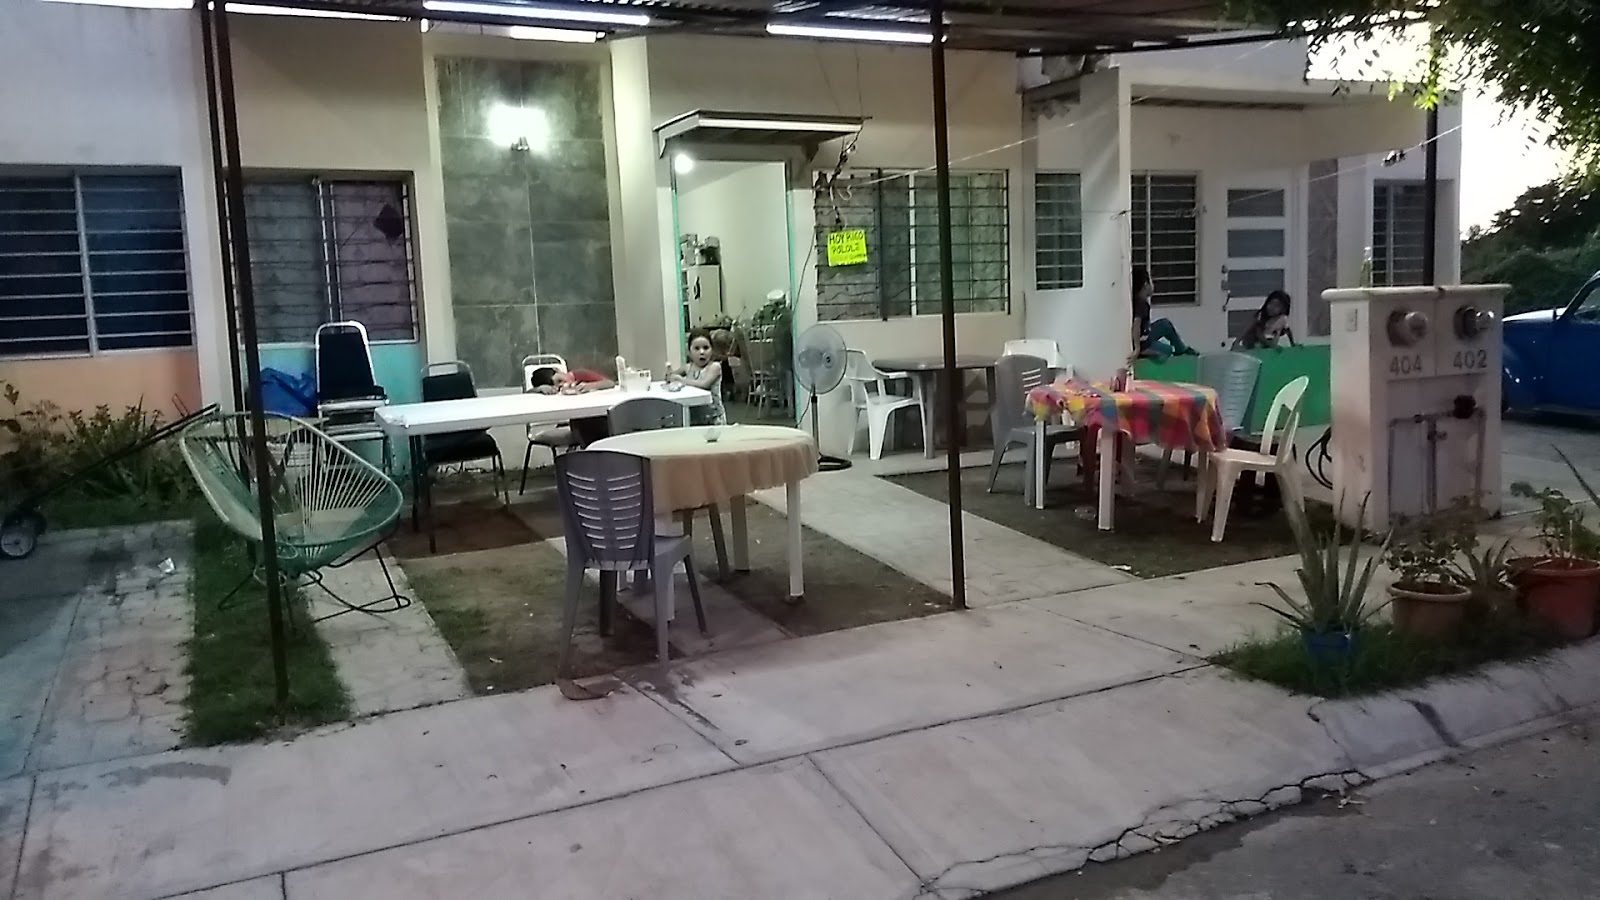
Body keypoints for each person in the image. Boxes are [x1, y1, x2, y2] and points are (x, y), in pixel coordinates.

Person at [528, 365, 615, 446]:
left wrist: (590, 386)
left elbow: (610, 383)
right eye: (558, 386)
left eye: (560, 380)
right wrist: (539, 389)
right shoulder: (557, 393)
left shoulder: (579, 374)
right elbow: (527, 394)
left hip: (602, 417)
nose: (563, 384)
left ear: (558, 371)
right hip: (580, 425)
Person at [1131, 265, 1197, 359]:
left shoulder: (1138, 302)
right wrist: (1137, 349)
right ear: (1146, 284)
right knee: (1167, 350)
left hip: (1146, 337)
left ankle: (1181, 349)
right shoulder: (1141, 304)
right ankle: (1178, 350)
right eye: (1151, 281)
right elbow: (1136, 324)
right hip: (1144, 345)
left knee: (1165, 324)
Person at [667, 330, 728, 425]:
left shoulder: (714, 367)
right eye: (697, 348)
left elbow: (704, 384)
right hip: (695, 417)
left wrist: (682, 380)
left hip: (714, 417)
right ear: (689, 352)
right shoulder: (688, 367)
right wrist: (670, 375)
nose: (702, 352)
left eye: (706, 348)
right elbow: (671, 376)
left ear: (712, 350)